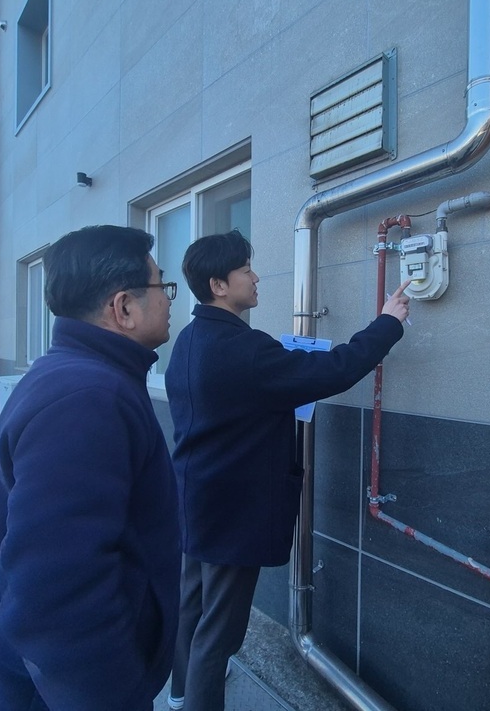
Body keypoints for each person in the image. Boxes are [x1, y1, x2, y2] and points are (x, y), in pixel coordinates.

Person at [164, 230, 411, 710]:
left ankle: (179, 694)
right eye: (245, 270)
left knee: (193, 608)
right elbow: (333, 370)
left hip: (197, 503)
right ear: (218, 284)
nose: (256, 277)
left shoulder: (190, 340)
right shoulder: (246, 349)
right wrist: (386, 324)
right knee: (220, 633)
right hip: (233, 514)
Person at [0, 225, 182, 711]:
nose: (171, 300)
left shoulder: (81, 375)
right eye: (162, 287)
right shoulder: (87, 398)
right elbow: (57, 593)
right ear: (123, 308)